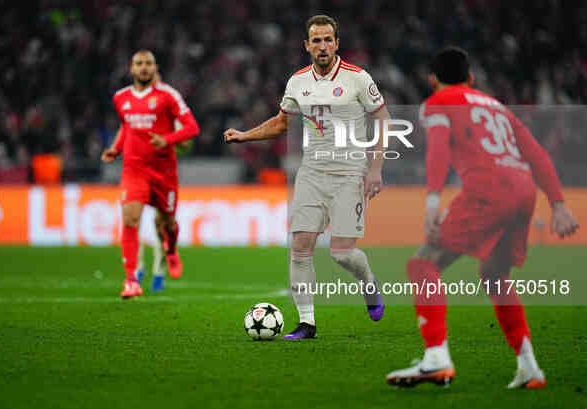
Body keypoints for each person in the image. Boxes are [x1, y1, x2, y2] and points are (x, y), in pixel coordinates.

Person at [386, 47, 579, 388]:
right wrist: (559, 203)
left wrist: (432, 199)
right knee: (494, 274)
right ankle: (529, 367)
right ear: (472, 78)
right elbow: (535, 153)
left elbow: (440, 147)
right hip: (524, 190)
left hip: (489, 188)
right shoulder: (498, 107)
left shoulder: (438, 103)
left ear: (433, 80)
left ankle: (435, 357)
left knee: (423, 264)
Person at [224, 15, 389, 339]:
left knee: (341, 253)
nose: (323, 46)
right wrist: (245, 135)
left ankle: (368, 282)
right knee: (300, 247)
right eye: (317, 40)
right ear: (307, 45)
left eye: (328, 40)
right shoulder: (298, 81)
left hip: (348, 172)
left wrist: (375, 169)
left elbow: (383, 118)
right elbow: (281, 123)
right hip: (311, 173)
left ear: (337, 43)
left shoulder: (357, 78)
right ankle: (307, 323)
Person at [101, 50, 199, 298]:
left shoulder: (168, 95)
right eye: (139, 64)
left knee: (167, 224)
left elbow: (192, 127)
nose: (143, 68)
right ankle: (131, 280)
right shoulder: (120, 98)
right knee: (130, 219)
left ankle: (172, 249)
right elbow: (127, 127)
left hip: (164, 172)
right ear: (131, 69)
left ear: (155, 68)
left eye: (148, 64)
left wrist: (166, 139)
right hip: (134, 169)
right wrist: (116, 148)